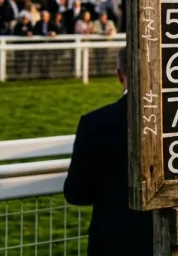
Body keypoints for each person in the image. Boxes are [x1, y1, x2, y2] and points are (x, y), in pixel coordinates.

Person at [63, 49, 152, 254]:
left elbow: (76, 193)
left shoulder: (94, 123)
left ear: (119, 75)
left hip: (113, 241)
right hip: (173, 241)